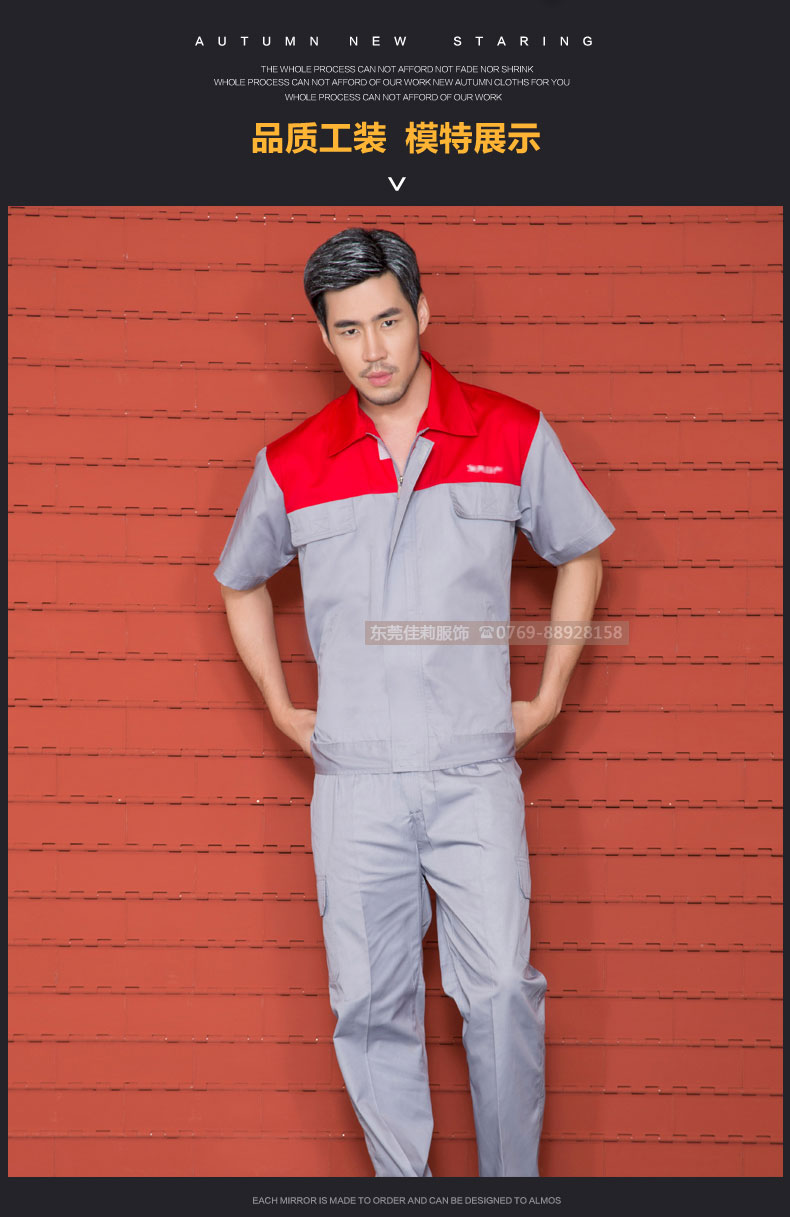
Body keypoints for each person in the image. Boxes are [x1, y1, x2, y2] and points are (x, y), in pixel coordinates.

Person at [213, 227, 615, 1178]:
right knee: (368, 1004)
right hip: (355, 781)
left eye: (389, 320)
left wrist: (549, 695)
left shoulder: (511, 434)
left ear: (423, 312)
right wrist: (282, 708)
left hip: (475, 770)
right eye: (350, 330)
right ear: (325, 337)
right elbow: (239, 580)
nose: (375, 349)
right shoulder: (294, 462)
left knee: (504, 990)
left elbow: (582, 553)